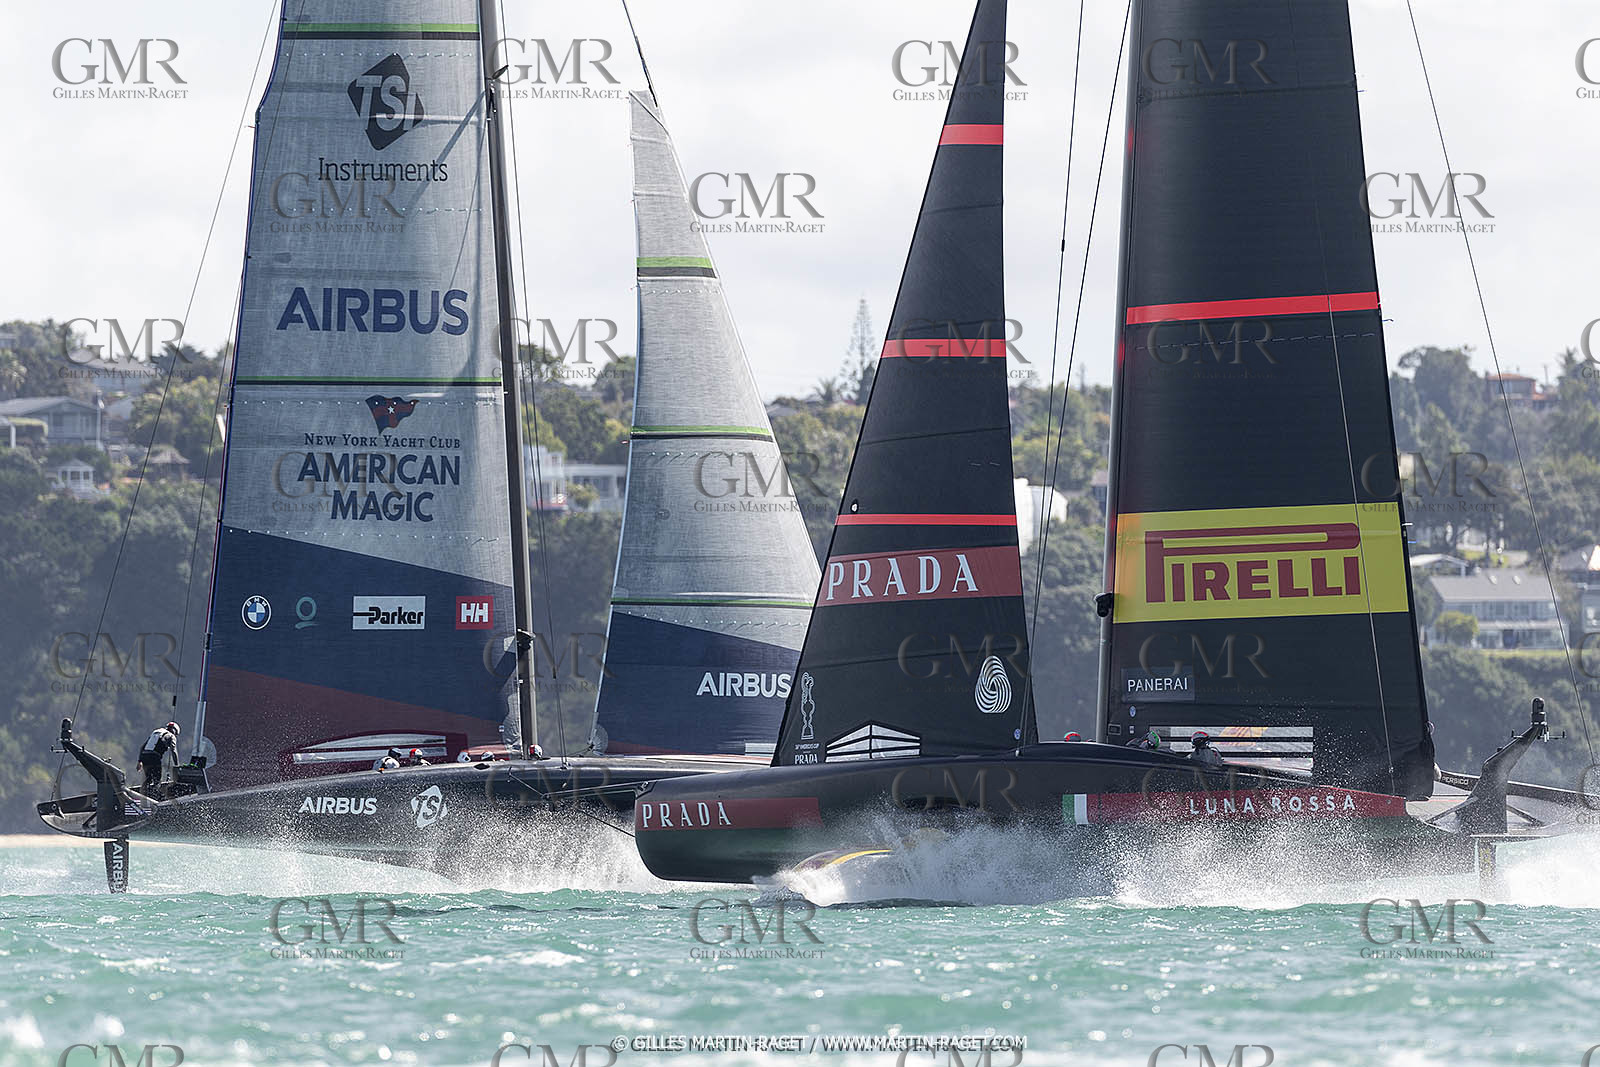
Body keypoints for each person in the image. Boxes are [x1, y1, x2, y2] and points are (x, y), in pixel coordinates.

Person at [138, 721, 181, 794]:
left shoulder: (156, 732)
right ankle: (155, 795)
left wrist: (139, 761)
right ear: (174, 731)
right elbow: (173, 751)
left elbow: (142, 747)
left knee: (148, 778)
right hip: (154, 757)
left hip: (144, 755)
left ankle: (142, 794)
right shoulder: (171, 735)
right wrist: (177, 766)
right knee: (157, 778)